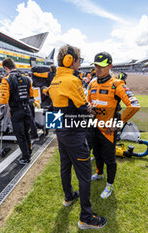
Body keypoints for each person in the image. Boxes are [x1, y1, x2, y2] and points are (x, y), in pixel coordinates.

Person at [46, 44, 107, 230]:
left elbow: (54, 108)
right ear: (69, 61)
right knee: (84, 175)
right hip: (74, 133)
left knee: (65, 166)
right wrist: (91, 111)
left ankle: (68, 197)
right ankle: (86, 217)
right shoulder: (73, 81)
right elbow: (84, 108)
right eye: (79, 60)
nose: (80, 63)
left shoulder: (55, 79)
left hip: (61, 131)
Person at [88, 52, 140, 199]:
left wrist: (118, 123)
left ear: (110, 66)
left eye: (101, 67)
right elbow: (89, 103)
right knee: (96, 154)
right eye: (96, 66)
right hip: (94, 127)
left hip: (108, 132)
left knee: (109, 159)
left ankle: (109, 185)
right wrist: (89, 109)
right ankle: (99, 173)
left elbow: (134, 105)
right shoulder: (91, 83)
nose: (97, 69)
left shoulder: (117, 84)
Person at [0, 58, 33, 165]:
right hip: (27, 109)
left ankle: (25, 158)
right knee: (26, 132)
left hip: (16, 111)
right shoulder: (26, 78)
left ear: (6, 68)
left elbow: (4, 100)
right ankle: (29, 151)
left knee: (20, 135)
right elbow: (31, 95)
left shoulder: (6, 79)